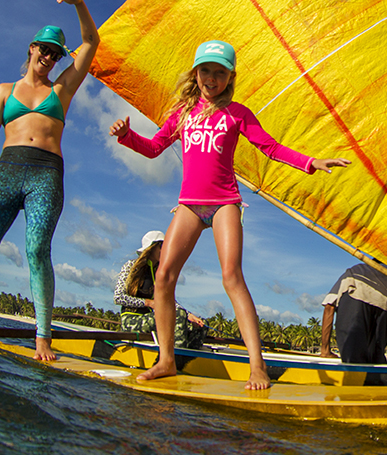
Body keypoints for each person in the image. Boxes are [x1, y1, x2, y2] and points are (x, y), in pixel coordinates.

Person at [110, 40, 350, 388]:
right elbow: (153, 148)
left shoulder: (237, 113)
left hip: (224, 202)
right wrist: (127, 136)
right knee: (163, 278)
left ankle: (257, 366)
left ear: (229, 77)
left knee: (231, 276)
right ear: (196, 73)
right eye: (205, 70)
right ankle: (166, 360)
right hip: (190, 204)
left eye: (219, 72)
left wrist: (311, 162)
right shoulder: (182, 114)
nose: (211, 78)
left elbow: (270, 147)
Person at [0, 0, 99, 361]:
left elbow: (91, 42)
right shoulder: (5, 91)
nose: (49, 57)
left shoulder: (62, 87)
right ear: (32, 47)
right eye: (45, 50)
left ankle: (42, 338)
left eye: (56, 53)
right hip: (6, 172)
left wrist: (79, 4)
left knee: (37, 251)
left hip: (46, 175)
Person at [114, 230, 209, 349]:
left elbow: (168, 299)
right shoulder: (130, 266)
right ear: (152, 247)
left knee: (201, 324)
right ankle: (175, 358)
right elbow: (118, 297)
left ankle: (187, 360)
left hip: (152, 318)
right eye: (162, 246)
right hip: (131, 320)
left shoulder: (160, 272)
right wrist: (148, 303)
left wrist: (189, 315)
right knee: (178, 315)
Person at [319, 263, 387, 370]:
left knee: (353, 360)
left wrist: (325, 349)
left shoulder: (356, 271)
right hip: (386, 309)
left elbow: (329, 307)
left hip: (356, 304)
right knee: (375, 357)